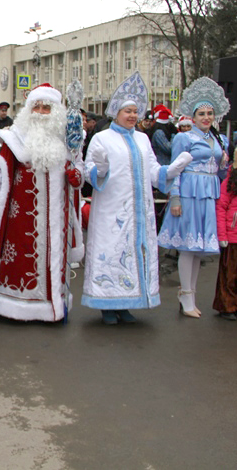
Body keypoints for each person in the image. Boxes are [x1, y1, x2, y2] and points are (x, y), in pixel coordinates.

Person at [82, 72, 192, 324]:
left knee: (134, 254)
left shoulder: (142, 138)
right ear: (116, 113)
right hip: (112, 211)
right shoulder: (102, 138)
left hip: (140, 211)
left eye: (135, 111)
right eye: (127, 111)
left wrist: (169, 171)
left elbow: (152, 169)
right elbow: (89, 171)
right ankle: (107, 305)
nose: (132, 115)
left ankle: (127, 303)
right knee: (111, 254)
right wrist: (100, 170)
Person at [0, 83, 84, 322]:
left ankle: (52, 305)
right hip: (21, 218)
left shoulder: (68, 141)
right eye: (37, 107)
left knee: (53, 260)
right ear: (28, 110)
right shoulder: (14, 139)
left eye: (47, 108)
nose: (41, 113)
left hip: (57, 218)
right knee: (20, 260)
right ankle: (14, 306)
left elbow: (79, 170)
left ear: (55, 112)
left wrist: (77, 176)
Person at [157, 77, 230, 318]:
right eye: (201, 114)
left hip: (208, 195)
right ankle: (185, 295)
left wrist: (224, 165)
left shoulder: (219, 139)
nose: (206, 118)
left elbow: (220, 172)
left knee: (198, 248)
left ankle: (191, 294)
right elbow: (176, 169)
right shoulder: (184, 138)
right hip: (189, 193)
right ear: (193, 117)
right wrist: (175, 198)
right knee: (188, 248)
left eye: (209, 113)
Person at [214, 140, 237, 320]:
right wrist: (222, 235)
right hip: (233, 237)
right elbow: (221, 208)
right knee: (229, 274)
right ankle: (227, 306)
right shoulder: (230, 182)